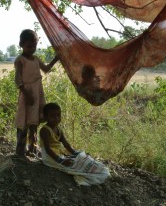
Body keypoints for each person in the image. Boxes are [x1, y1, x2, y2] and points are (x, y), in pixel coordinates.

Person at [39, 102, 110, 186]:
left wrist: (75, 153)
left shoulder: (58, 129)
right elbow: (47, 149)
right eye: (52, 116)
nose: (56, 118)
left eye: (58, 115)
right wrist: (60, 161)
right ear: (46, 117)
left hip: (58, 155)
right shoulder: (45, 130)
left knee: (82, 158)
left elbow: (66, 144)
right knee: (76, 165)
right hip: (50, 158)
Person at [14, 29, 59, 158]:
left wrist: (56, 59)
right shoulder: (20, 60)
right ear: (21, 44)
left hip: (37, 92)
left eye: (34, 46)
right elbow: (18, 80)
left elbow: (46, 69)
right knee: (24, 121)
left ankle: (32, 149)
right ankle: (20, 151)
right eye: (29, 46)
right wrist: (26, 95)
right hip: (26, 94)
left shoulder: (36, 59)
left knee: (34, 121)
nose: (32, 49)